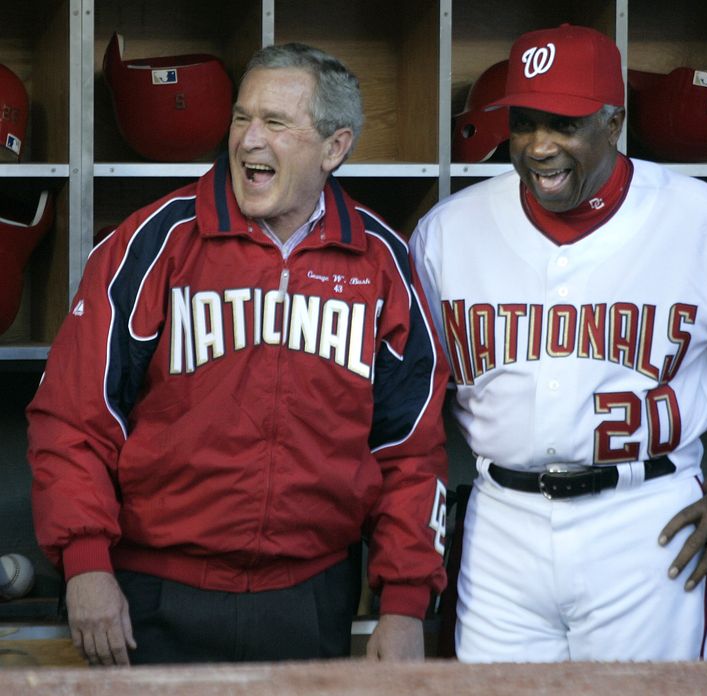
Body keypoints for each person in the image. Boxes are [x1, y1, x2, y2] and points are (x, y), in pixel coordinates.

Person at [410, 24, 707, 662]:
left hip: (647, 522)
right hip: (499, 523)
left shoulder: (705, 220)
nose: (539, 147)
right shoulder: (445, 233)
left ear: (613, 121)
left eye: (564, 125)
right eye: (523, 123)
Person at [27, 42, 450, 666]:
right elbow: (73, 418)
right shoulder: (154, 244)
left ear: (335, 147)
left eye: (276, 124)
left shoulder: (382, 263)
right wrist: (85, 566)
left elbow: (410, 453)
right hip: (151, 596)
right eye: (241, 118)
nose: (249, 140)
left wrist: (404, 607)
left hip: (310, 600)